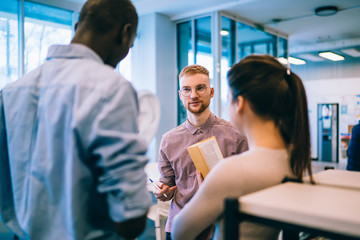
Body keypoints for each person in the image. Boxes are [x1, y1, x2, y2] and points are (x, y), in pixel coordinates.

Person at [0, 0, 151, 239]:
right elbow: (130, 217)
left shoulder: (11, 91)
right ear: (125, 34)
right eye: (131, 45)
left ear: (78, 25)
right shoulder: (110, 87)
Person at [171, 55, 313, 240]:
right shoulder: (296, 157)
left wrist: (209, 189)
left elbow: (179, 231)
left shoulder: (232, 171)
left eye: (229, 98)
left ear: (240, 103)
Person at [153, 64, 248, 239]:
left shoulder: (235, 135)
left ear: (211, 92)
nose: (194, 95)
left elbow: (247, 184)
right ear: (180, 95)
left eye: (200, 88)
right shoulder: (168, 140)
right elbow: (168, 184)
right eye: (187, 90)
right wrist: (163, 191)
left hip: (220, 226)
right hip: (180, 225)